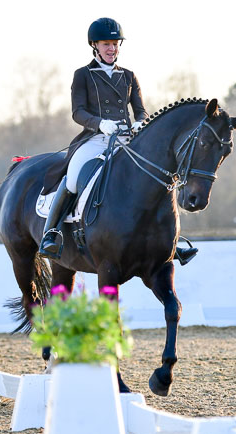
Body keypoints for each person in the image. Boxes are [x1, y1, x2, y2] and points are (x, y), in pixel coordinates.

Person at [39, 17, 198, 266]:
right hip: (95, 138)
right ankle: (53, 233)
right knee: (72, 176)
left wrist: (141, 123)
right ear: (95, 45)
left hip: (127, 140)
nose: (111, 48)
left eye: (115, 44)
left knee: (156, 176)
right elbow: (77, 112)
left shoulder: (129, 76)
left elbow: (141, 110)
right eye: (106, 44)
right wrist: (99, 123)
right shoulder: (83, 75)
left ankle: (172, 241)